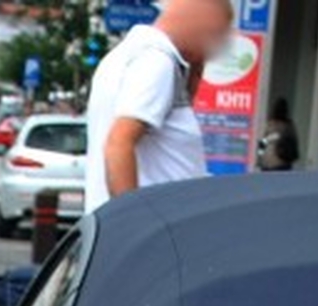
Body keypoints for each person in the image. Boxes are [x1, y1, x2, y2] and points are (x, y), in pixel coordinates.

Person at [83, 0, 237, 205]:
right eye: (216, 34)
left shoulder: (127, 55)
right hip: (152, 230)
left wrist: (196, 69)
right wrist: (132, 223)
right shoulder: (157, 62)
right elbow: (119, 143)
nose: (214, 48)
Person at [258, 96, 300, 169]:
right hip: (283, 160)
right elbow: (294, 141)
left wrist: (260, 157)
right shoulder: (288, 126)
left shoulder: (270, 124)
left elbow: (263, 142)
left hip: (267, 161)